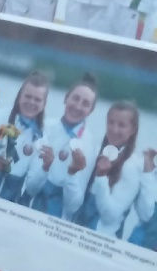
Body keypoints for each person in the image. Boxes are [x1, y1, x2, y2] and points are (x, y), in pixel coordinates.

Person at [21, 76, 97, 220]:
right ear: (66, 98)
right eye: (75, 98)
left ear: (91, 110)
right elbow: (30, 189)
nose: (78, 106)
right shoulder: (44, 127)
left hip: (57, 222)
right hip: (27, 211)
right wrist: (45, 167)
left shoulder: (89, 145)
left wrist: (72, 173)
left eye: (85, 104)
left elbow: (73, 206)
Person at [0, 72, 48, 202]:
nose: (31, 102)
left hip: (11, 202)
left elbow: (31, 189)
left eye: (37, 99)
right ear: (19, 97)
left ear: (43, 104)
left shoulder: (42, 138)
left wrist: (45, 168)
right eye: (28, 96)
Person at [78, 101, 141, 236]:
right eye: (111, 122)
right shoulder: (96, 152)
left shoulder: (130, 166)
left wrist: (101, 177)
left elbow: (110, 216)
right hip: (77, 230)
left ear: (133, 130)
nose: (114, 129)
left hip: (101, 240)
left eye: (121, 125)